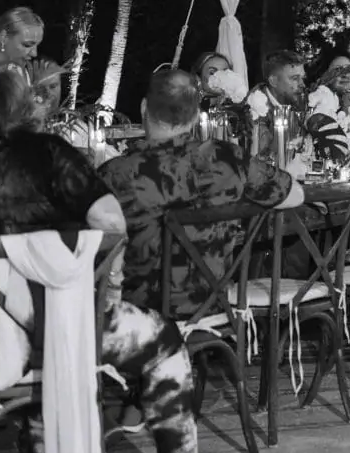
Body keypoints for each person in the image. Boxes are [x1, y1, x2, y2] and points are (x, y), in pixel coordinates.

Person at [0, 69, 231, 453]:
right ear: (27, 111)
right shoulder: (47, 154)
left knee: (43, 314)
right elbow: (111, 223)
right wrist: (98, 287)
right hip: (45, 334)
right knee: (163, 338)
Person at [99, 66, 304, 320]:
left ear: (143, 108)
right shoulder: (226, 157)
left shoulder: (116, 174)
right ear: (197, 116)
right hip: (212, 305)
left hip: (139, 316)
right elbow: (296, 195)